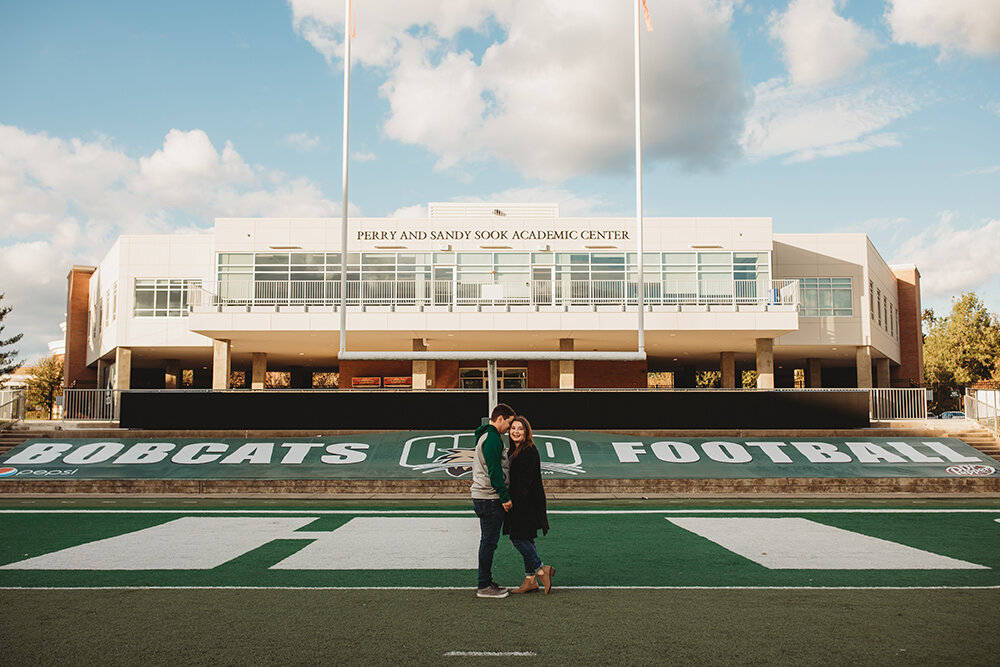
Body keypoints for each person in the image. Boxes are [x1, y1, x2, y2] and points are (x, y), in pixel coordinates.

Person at [503, 415, 554, 594]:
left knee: (517, 538)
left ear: (527, 432)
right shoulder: (513, 451)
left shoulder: (529, 451)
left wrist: (512, 503)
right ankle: (530, 580)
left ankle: (541, 570)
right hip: (523, 501)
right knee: (525, 538)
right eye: (513, 428)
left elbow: (524, 483)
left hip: (526, 503)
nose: (516, 432)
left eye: (520, 429)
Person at [471, 402, 516, 599]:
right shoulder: (492, 439)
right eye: (509, 423)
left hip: (484, 496)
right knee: (489, 542)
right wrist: (505, 497)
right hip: (489, 498)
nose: (509, 428)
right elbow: (495, 471)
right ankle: (484, 585)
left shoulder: (486, 436)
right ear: (500, 418)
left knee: (488, 541)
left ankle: (486, 581)